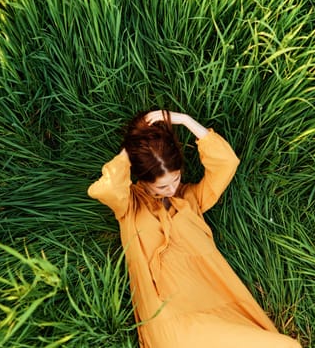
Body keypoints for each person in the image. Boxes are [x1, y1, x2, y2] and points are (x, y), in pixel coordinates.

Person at [88, 110, 301, 348]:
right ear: (143, 178)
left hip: (217, 306)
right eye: (161, 186)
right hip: (167, 318)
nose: (170, 189)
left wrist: (186, 121)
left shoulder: (191, 199)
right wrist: (131, 150)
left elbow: (226, 164)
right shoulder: (129, 206)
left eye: (175, 179)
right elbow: (105, 189)